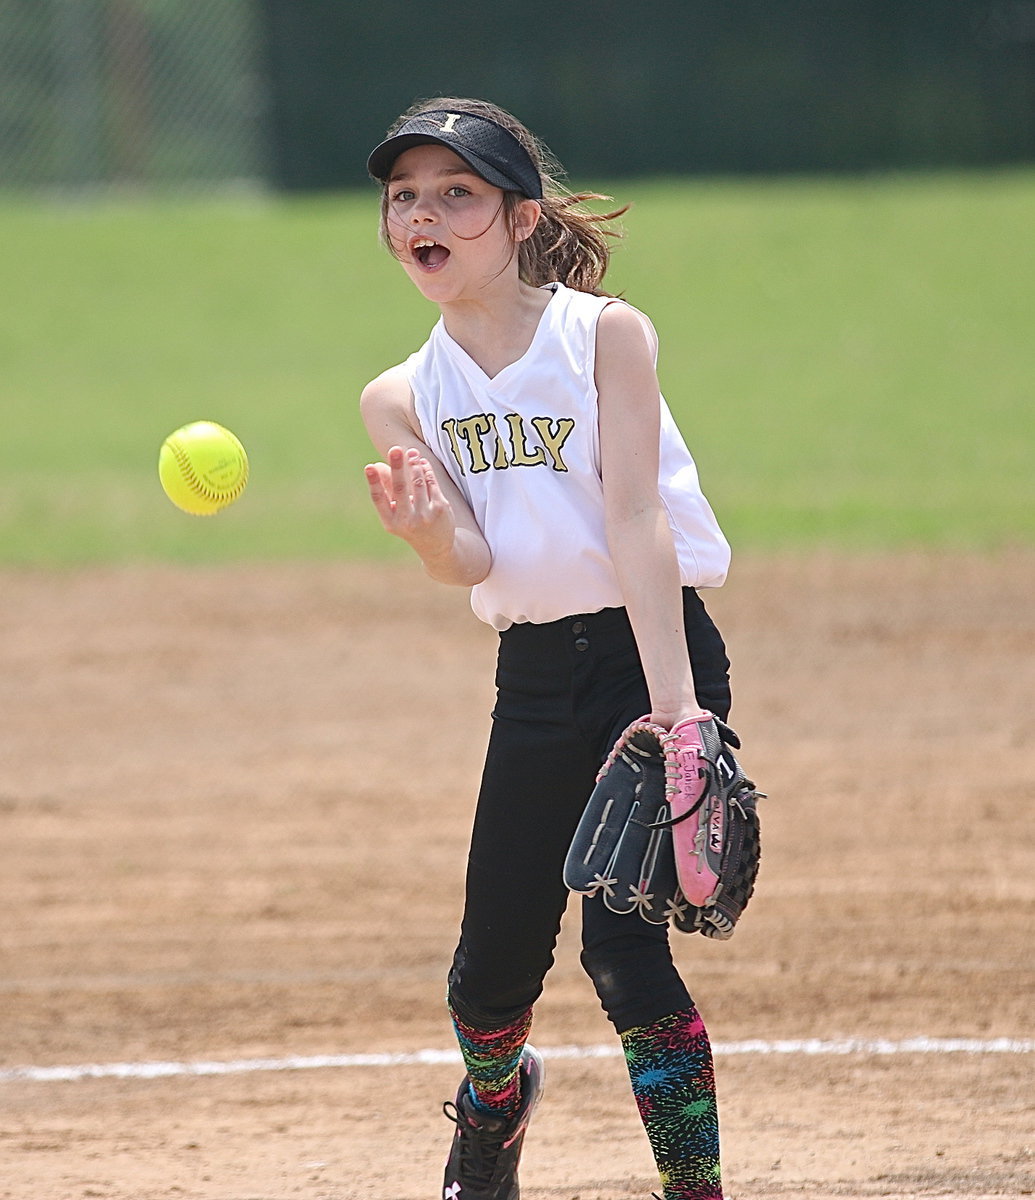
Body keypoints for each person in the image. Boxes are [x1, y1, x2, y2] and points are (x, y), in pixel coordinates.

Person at [361, 97, 734, 1200]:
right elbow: (471, 566)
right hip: (531, 674)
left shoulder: (601, 334)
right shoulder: (400, 396)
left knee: (625, 956)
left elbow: (636, 522)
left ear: (521, 219)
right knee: (488, 983)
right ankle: (497, 1101)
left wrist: (680, 713)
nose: (423, 214)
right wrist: (431, 538)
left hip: (649, 653)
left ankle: (694, 1187)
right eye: (404, 197)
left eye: (456, 193)